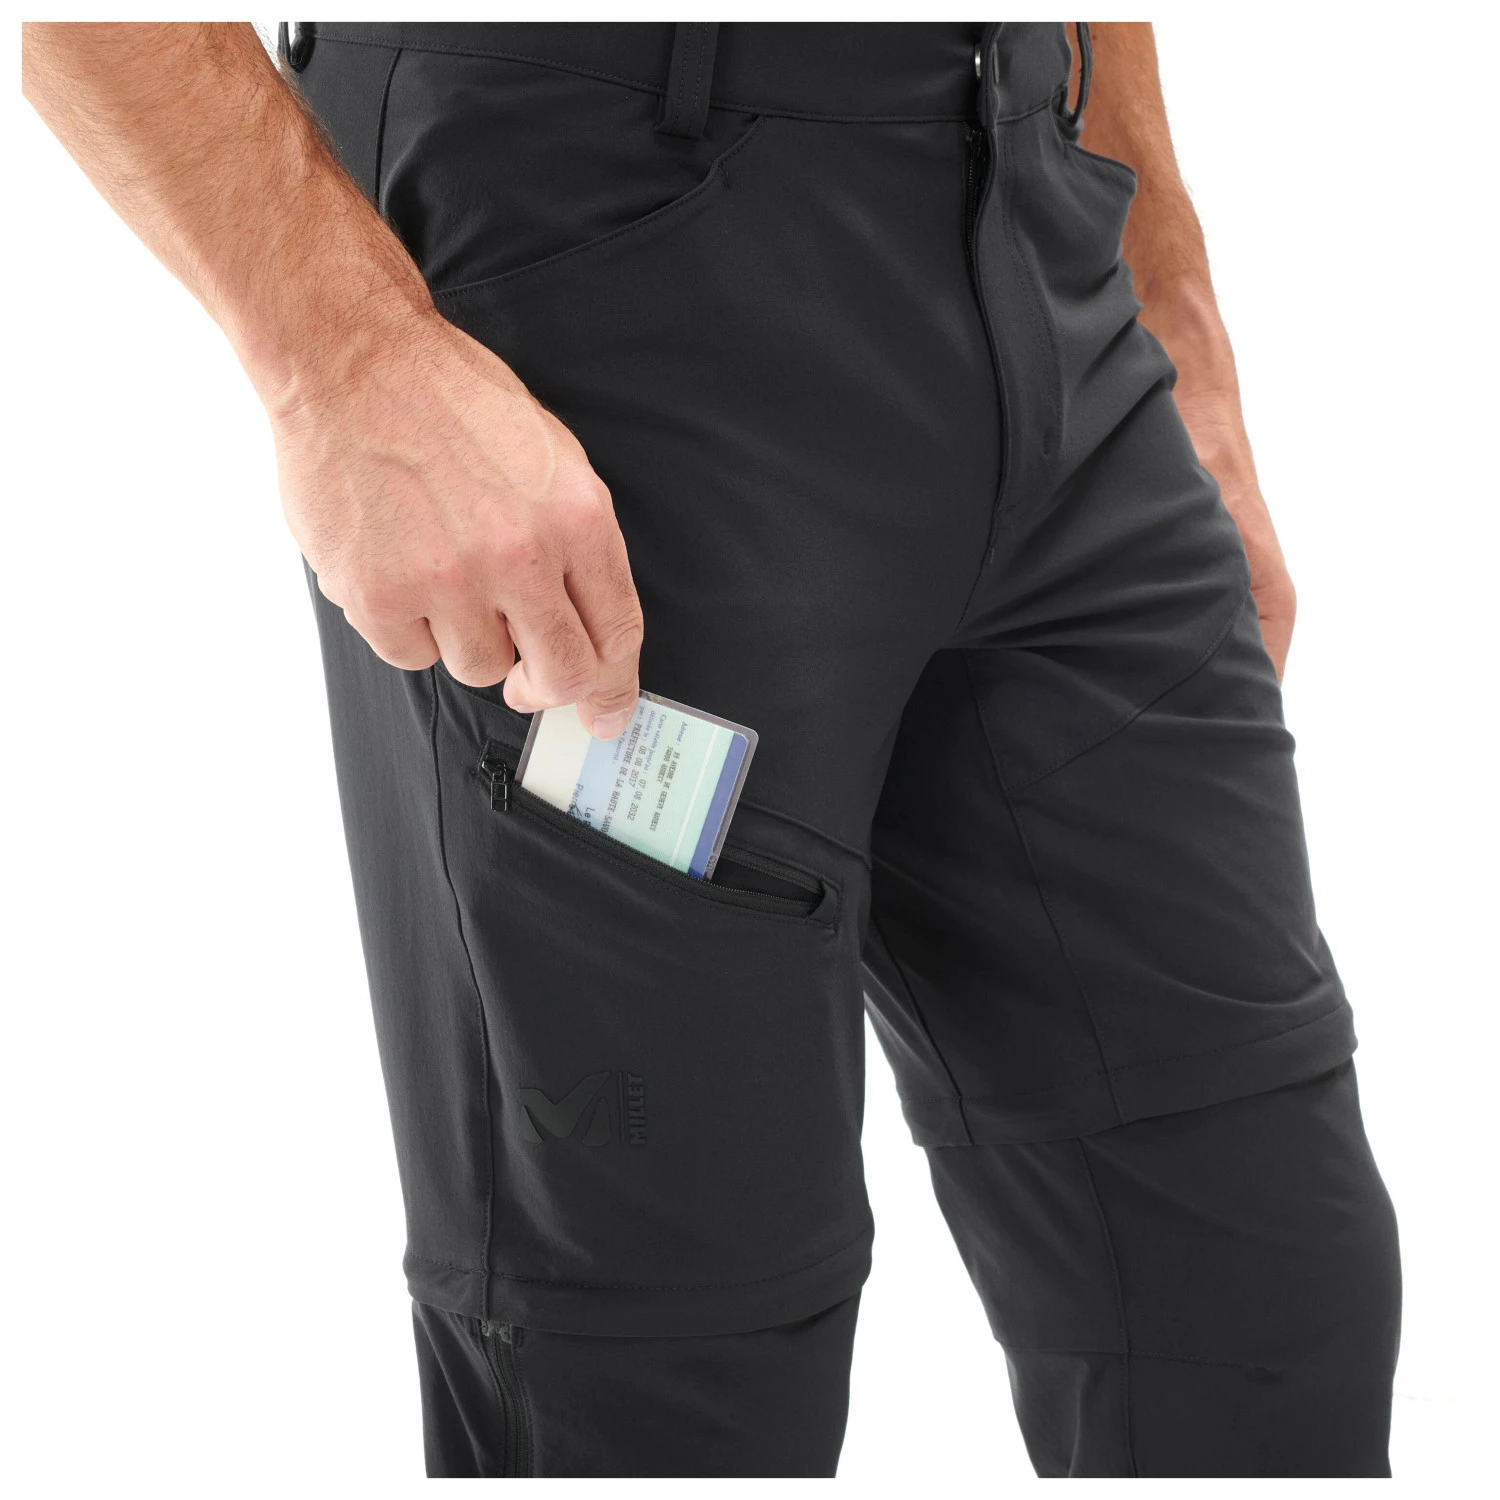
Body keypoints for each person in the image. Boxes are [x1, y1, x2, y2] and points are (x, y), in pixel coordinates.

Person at [22, 21, 1401, 1478]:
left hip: (1050, 246)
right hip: (595, 274)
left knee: (1261, 1295)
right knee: (669, 1376)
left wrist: (1174, 299)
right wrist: (347, 361)